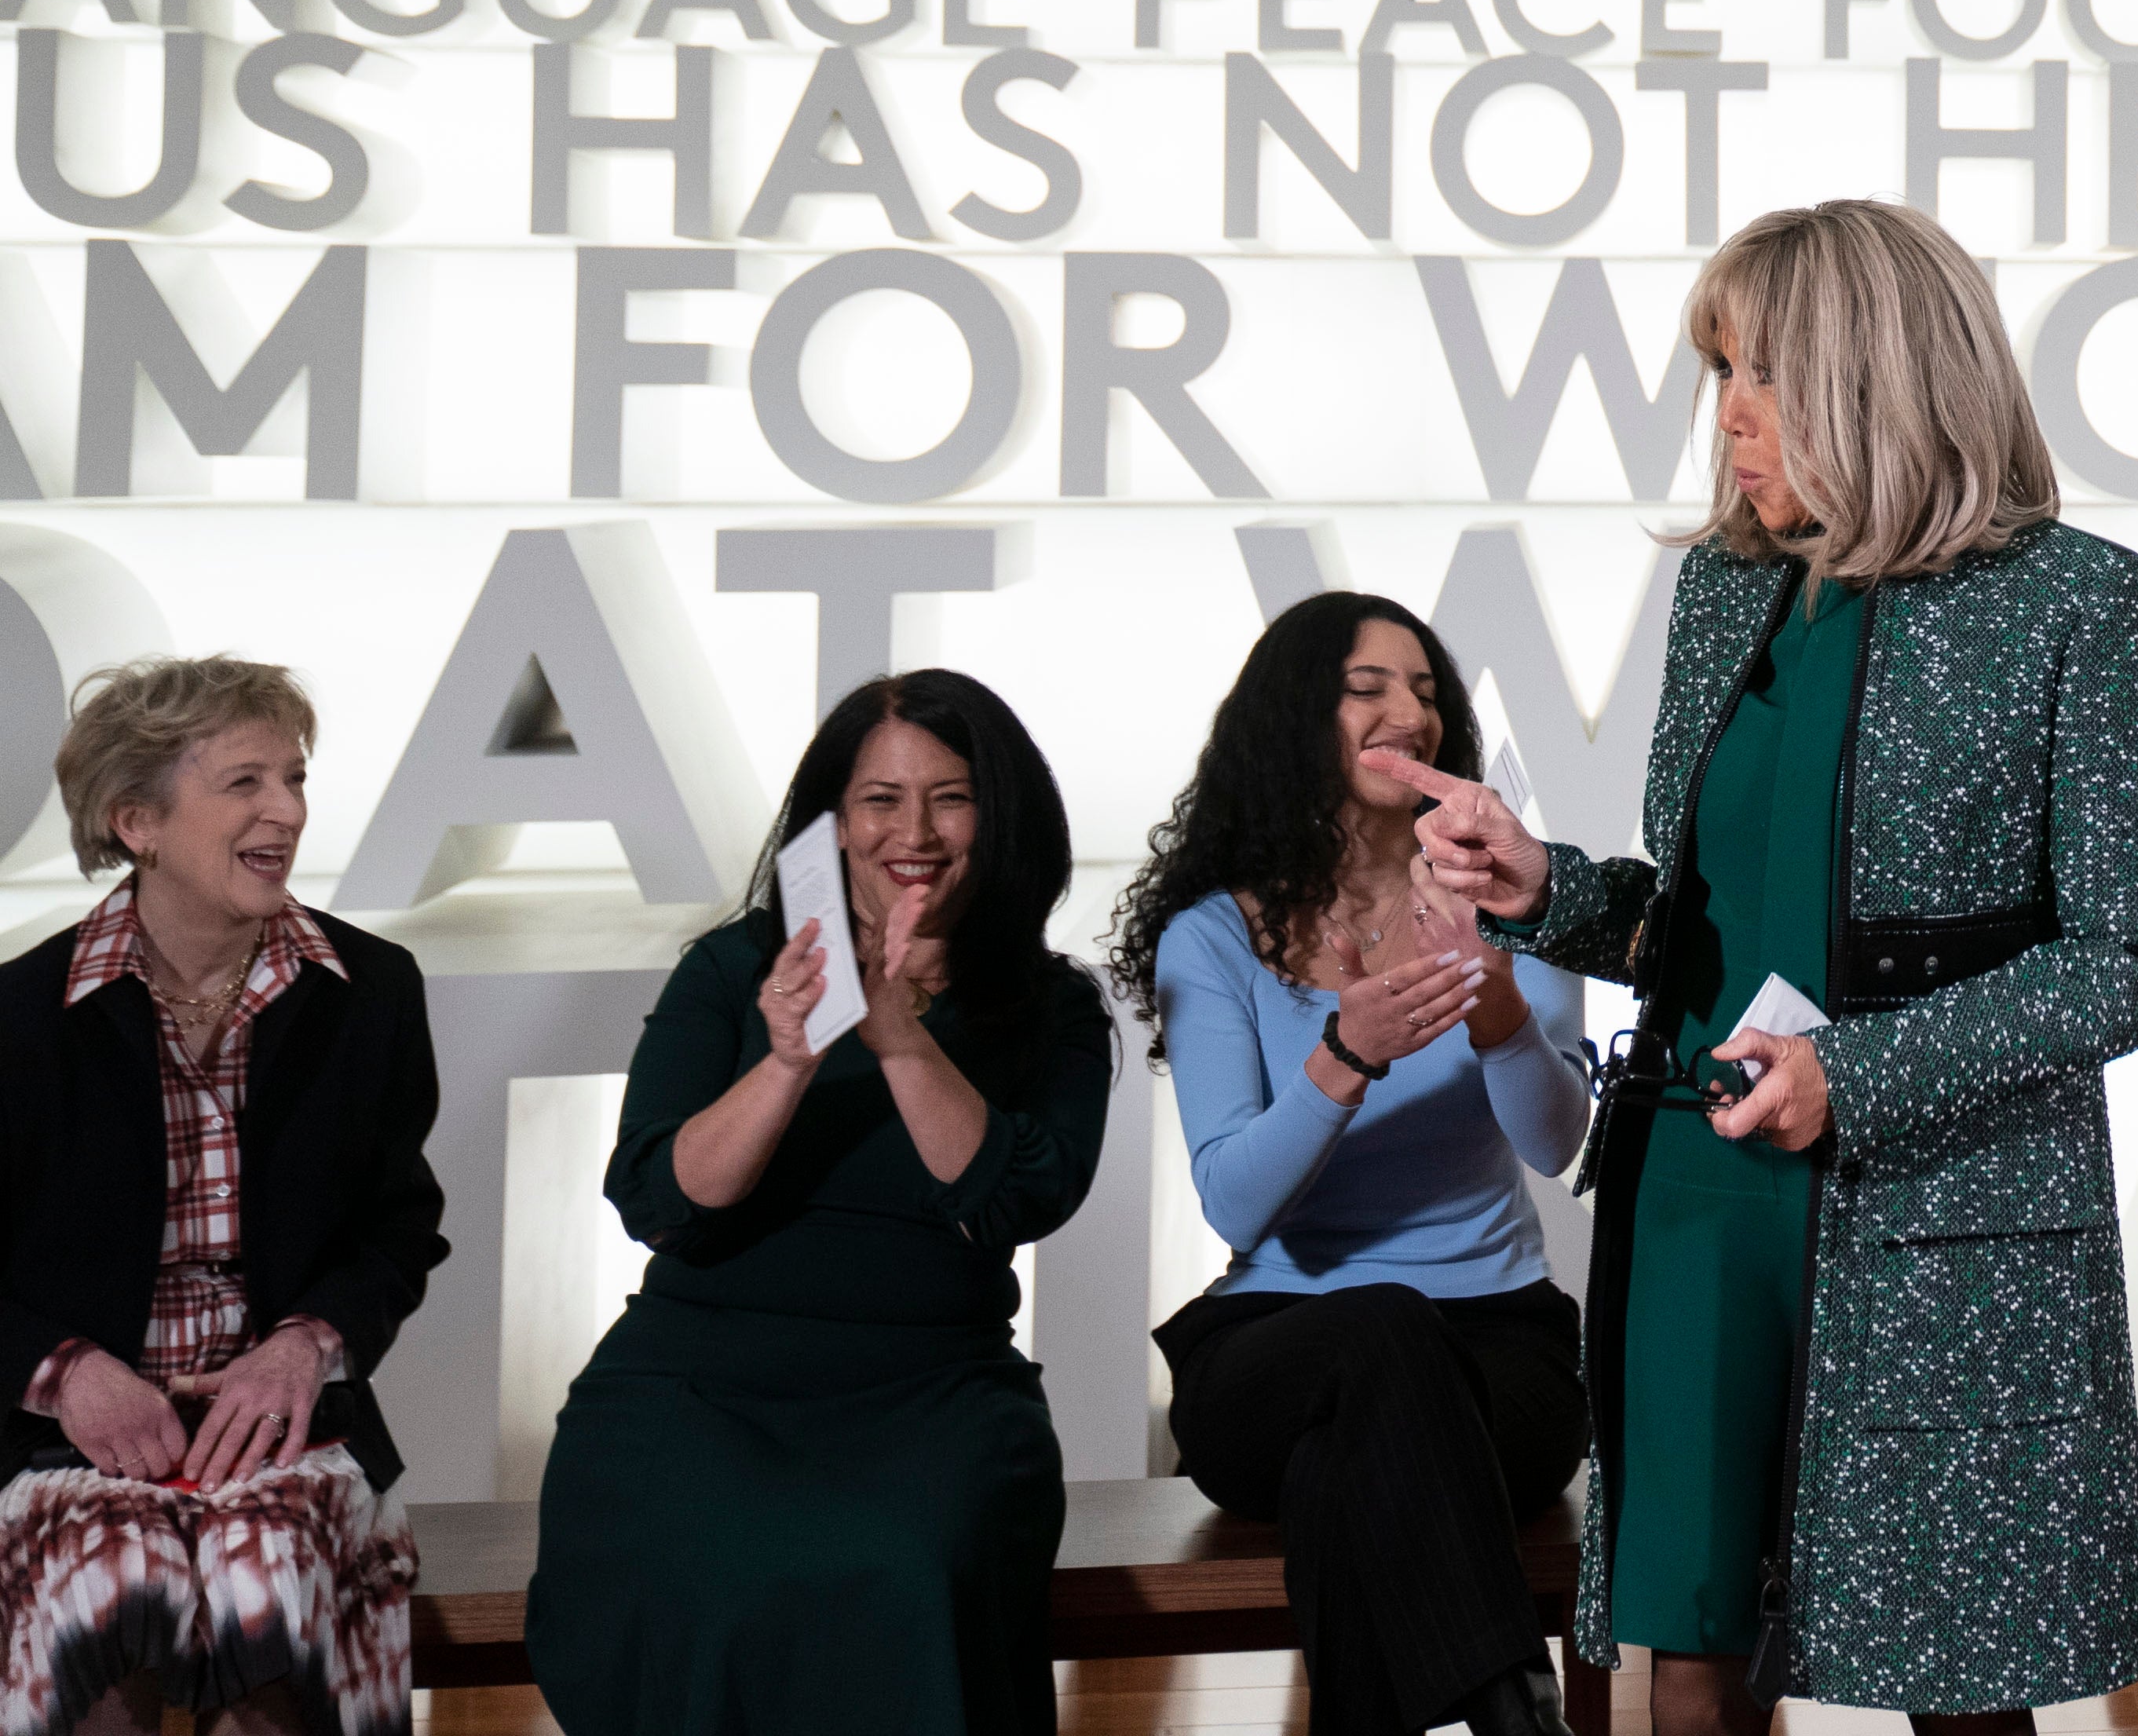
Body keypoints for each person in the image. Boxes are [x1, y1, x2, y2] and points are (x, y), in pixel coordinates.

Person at [1402, 196, 2138, 1736]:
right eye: (1721, 372)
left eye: (1759, 369)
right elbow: (1710, 914)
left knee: (1958, 1679)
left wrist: (1864, 1072)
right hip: (1698, 1179)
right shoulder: (1728, 585)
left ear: (1870, 374)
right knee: (1683, 1650)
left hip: (1939, 1210)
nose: (1732, 419)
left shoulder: (2076, 602)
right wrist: (1544, 886)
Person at [526, 670, 1112, 1736]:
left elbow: (1019, 1197)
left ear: (1002, 812)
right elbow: (660, 1201)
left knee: (905, 1565)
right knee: (696, 1565)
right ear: (834, 825)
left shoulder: (1052, 1004)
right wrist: (791, 1058)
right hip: (697, 1382)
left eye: (951, 795)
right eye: (881, 800)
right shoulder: (730, 969)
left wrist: (896, 1035)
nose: (915, 831)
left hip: (931, 1392)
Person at [1109, 590, 1603, 1736]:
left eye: (1427, 691)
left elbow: (1558, 1141)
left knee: (1352, 1471)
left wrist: (1495, 1014)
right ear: (1295, 717)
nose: (1411, 712)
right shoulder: (1214, 936)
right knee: (1380, 1329)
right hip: (1279, 1349)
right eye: (1370, 687)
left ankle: (1506, 1716)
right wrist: (1346, 1056)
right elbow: (1235, 1199)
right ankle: (1516, 1709)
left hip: (1499, 1357)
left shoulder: (1514, 903)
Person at [3, 657, 442, 1736]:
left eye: (294, 780)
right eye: (245, 783)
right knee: (104, 1594)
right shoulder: (20, 1016)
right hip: (79, 1441)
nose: (285, 812)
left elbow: (399, 1230)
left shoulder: (371, 991)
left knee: (266, 1600)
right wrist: (66, 1377)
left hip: (289, 1434)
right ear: (136, 819)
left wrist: (305, 1344)